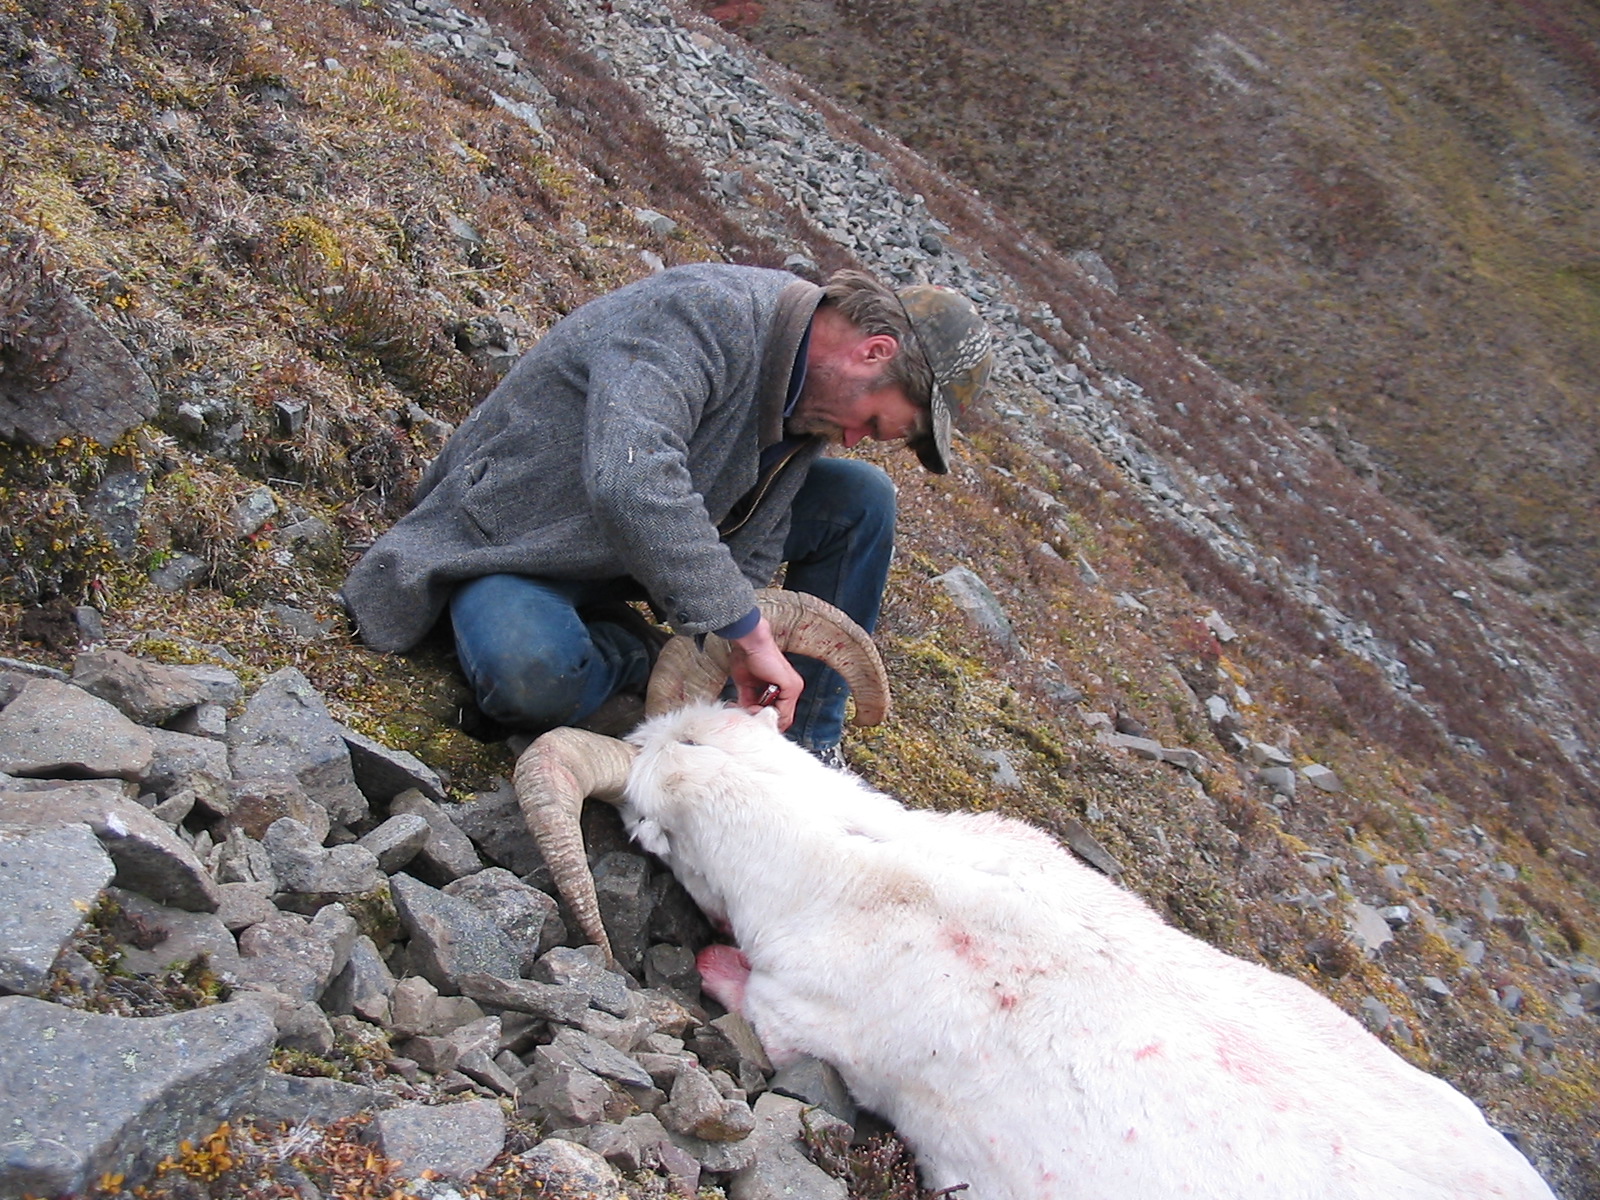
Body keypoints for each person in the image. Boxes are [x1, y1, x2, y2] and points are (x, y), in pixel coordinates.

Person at [342, 262, 993, 759]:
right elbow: (631, 475)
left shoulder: (815, 396)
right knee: (532, 675)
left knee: (861, 499)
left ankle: (804, 757)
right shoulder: (702, 314)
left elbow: (755, 534)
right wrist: (742, 631)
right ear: (873, 352)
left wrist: (736, 650)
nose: (854, 441)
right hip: (520, 538)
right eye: (875, 422)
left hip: (630, 556)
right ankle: (636, 659)